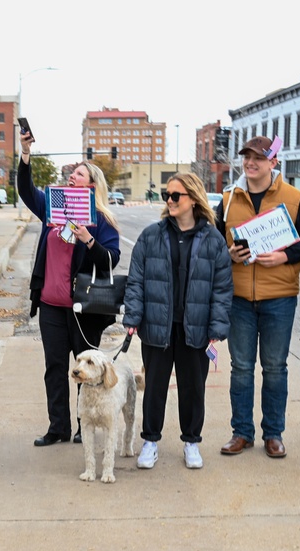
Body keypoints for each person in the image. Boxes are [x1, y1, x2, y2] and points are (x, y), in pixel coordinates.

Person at [18, 129, 122, 448]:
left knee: (84, 369)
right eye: (71, 173)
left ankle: (83, 425)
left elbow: (111, 259)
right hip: (51, 304)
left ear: (91, 185)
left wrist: (88, 240)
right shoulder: (54, 206)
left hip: (83, 308)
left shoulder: (100, 219)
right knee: (55, 367)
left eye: (78, 174)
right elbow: (26, 191)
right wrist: (25, 154)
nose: (71, 176)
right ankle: (58, 426)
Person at [123, 173, 233, 470]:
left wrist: (217, 327)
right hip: (157, 325)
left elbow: (222, 288)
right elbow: (136, 281)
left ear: (193, 199)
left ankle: (191, 442)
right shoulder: (151, 235)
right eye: (167, 195)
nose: (169, 201)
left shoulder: (213, 240)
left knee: (193, 388)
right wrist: (132, 316)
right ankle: (150, 441)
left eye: (175, 195)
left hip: (195, 328)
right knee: (154, 387)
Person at [216, 136, 300, 459]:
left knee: (274, 368)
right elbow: (214, 240)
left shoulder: (293, 198)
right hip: (239, 298)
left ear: (273, 162)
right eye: (247, 157)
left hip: (279, 297)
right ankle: (241, 432)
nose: (250, 163)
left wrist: (285, 256)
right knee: (241, 368)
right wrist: (228, 253)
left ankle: (273, 433)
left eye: (258, 158)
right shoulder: (228, 199)